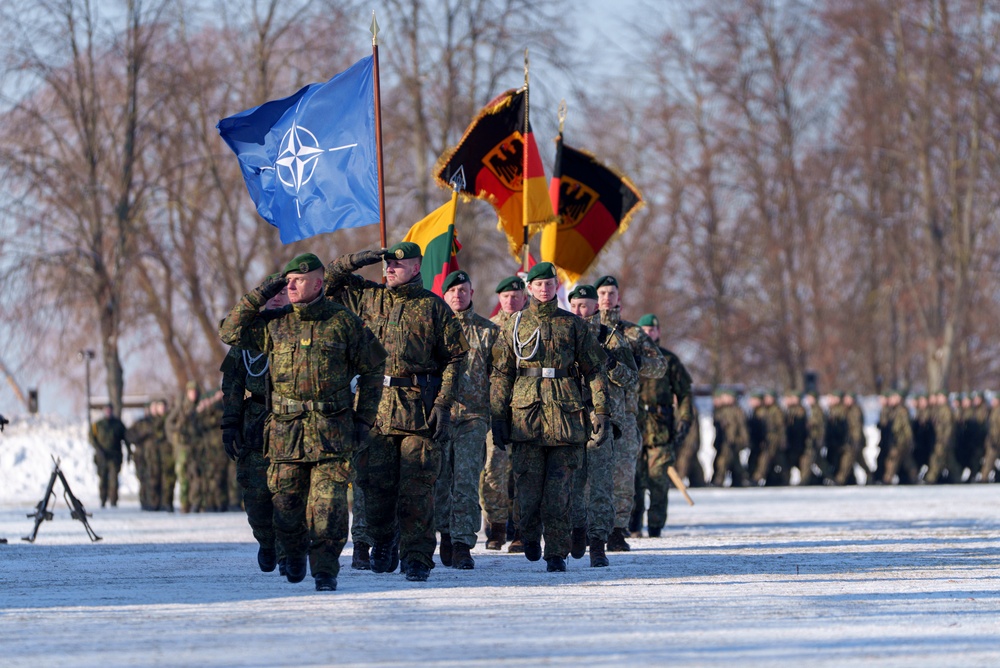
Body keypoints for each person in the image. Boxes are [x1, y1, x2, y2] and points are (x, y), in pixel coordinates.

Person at [220, 253, 387, 592]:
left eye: (298, 279)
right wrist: (264, 292)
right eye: (287, 280)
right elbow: (229, 331)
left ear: (318, 282)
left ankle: (326, 569)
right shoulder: (276, 324)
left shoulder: (343, 322)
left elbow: (373, 369)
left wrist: (364, 419)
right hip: (285, 435)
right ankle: (292, 554)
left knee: (329, 507)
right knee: (286, 504)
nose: (291, 285)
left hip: (332, 432)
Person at [325, 242, 468, 582]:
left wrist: (444, 404)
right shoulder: (370, 297)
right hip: (375, 410)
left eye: (397, 265)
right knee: (374, 488)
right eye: (386, 264)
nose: (389, 269)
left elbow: (457, 358)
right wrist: (361, 257)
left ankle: (417, 556)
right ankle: (384, 540)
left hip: (418, 408)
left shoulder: (434, 308)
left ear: (417, 267)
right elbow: (330, 282)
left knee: (417, 490)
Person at [491, 263, 610, 572]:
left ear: (557, 286)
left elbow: (595, 370)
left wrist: (601, 411)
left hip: (566, 417)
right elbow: (502, 374)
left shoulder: (573, 325)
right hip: (526, 418)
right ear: (529, 288)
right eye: (538, 283)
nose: (544, 288)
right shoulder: (515, 326)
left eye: (549, 283)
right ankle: (528, 534)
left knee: (560, 492)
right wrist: (498, 416)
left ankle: (556, 552)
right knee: (527, 491)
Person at [591, 275, 666, 552]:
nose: (607, 298)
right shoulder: (588, 329)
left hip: (626, 414)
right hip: (593, 415)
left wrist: (636, 360)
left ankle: (618, 529)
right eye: (602, 293)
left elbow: (659, 367)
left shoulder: (633, 334)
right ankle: (592, 527)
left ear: (618, 297)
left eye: (611, 293)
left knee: (623, 476)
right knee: (591, 476)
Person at [220, 275, 289, 573]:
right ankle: (267, 541)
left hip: (293, 419)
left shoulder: (302, 329)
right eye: (271, 292)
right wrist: (230, 423)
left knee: (292, 492)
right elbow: (233, 382)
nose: (277, 297)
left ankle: (289, 550)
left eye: (283, 292)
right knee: (257, 495)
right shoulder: (249, 336)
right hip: (256, 421)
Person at [432, 270, 498, 570]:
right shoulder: (434, 328)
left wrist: (498, 414)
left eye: (463, 290)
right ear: (444, 296)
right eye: (452, 291)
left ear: (472, 293)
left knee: (467, 480)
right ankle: (445, 532)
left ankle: (462, 543)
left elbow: (499, 375)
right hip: (440, 416)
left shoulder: (487, 331)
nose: (457, 295)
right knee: (441, 479)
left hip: (473, 418)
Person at [567, 285, 637, 566]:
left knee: (600, 485)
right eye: (574, 305)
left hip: (601, 420)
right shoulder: (561, 336)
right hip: (567, 419)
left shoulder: (612, 339)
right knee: (570, 483)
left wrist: (610, 364)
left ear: (596, 307)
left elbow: (630, 379)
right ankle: (575, 532)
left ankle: (598, 542)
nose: (578, 311)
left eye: (584, 305)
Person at [632, 313, 692, 538]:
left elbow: (684, 393)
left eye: (652, 330)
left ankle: (655, 526)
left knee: (657, 479)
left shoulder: (669, 360)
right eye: (644, 330)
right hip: (634, 427)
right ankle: (633, 526)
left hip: (660, 428)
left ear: (658, 332)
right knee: (633, 479)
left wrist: (685, 418)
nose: (648, 333)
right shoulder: (629, 357)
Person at [483, 275, 527, 553]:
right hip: (495, 409)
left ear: (525, 297)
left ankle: (522, 529)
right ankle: (496, 528)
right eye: (506, 296)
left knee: (524, 471)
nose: (510, 300)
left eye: (516, 295)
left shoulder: (532, 327)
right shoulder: (489, 329)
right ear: (499, 299)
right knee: (493, 470)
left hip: (528, 408)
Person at [166, 382, 203, 513]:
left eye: (195, 391)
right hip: (183, 448)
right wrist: (175, 437)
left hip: (196, 447)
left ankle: (196, 503)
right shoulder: (181, 408)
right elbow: (169, 423)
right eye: (191, 391)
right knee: (183, 477)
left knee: (196, 475)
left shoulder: (199, 406)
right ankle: (184, 504)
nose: (193, 394)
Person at [128, 401, 170, 510]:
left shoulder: (159, 421)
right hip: (142, 456)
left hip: (155, 456)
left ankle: (156, 503)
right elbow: (130, 436)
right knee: (145, 480)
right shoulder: (141, 423)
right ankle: (146, 503)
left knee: (156, 480)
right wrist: (142, 435)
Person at [89, 406, 131, 507]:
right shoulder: (97, 425)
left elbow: (126, 438)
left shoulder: (118, 424)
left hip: (114, 456)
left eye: (109, 410)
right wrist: (98, 450)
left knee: (114, 479)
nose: (108, 412)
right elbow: (91, 437)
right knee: (102, 479)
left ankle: (113, 501)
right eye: (106, 410)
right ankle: (103, 500)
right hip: (102, 457)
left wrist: (129, 452)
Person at [711, 389, 750, 487]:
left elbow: (742, 427)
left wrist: (743, 440)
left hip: (733, 441)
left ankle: (719, 480)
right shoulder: (721, 410)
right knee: (734, 462)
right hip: (725, 441)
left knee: (723, 461)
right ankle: (740, 479)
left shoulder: (737, 411)